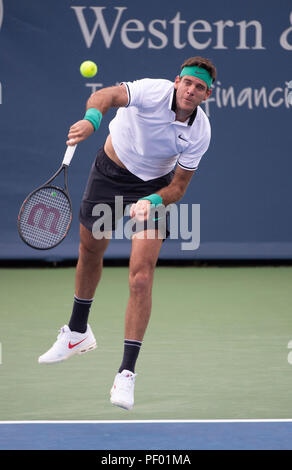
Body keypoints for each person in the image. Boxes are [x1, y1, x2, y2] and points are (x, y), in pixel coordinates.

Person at [38, 56, 216, 411]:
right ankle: (76, 332)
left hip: (154, 188)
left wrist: (152, 199)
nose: (192, 91)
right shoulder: (152, 91)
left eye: (200, 88)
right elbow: (105, 96)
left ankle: (126, 372)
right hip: (110, 174)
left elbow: (178, 187)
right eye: (188, 83)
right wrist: (92, 120)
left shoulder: (200, 132)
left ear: (207, 95)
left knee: (140, 277)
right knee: (90, 251)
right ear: (177, 81)